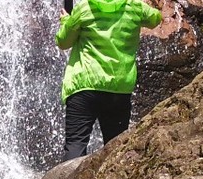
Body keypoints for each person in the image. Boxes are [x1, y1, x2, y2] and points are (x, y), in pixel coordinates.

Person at [56, 0, 162, 161]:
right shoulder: (135, 7)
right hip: (119, 89)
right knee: (115, 149)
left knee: (75, 145)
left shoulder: (84, 8)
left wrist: (66, 20)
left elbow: (64, 42)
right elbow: (155, 18)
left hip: (85, 86)